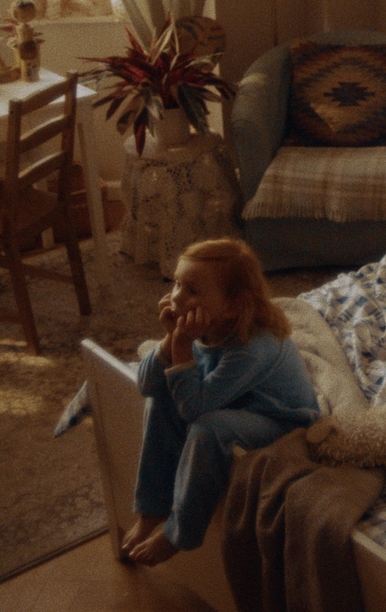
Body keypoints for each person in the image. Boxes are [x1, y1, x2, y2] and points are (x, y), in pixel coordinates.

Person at [121, 238, 321, 565]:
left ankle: (179, 533)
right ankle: (152, 510)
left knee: (209, 428)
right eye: (176, 284)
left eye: (192, 291)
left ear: (230, 306)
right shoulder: (204, 327)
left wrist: (181, 345)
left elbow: (195, 410)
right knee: (160, 398)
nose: (176, 297)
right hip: (234, 403)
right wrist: (172, 340)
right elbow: (147, 385)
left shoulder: (254, 347)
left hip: (283, 424)